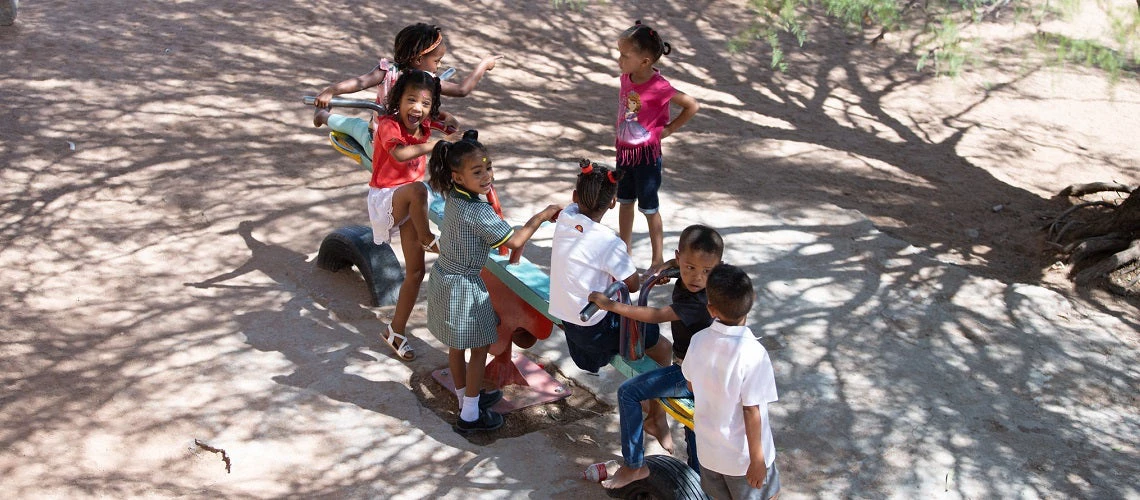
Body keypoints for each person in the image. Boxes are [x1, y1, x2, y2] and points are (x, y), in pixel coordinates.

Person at [425, 130, 561, 433]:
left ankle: (465, 399)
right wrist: (541, 216)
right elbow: (514, 241)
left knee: (457, 346)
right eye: (477, 171)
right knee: (479, 347)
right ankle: (470, 417)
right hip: (464, 286)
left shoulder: (455, 198)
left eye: (488, 167)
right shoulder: (478, 211)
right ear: (458, 177)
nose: (487, 176)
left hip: (444, 277)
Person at [584, 224, 723, 489]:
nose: (696, 277)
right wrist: (667, 268)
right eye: (689, 267)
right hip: (699, 369)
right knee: (694, 428)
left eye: (707, 271)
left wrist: (611, 305)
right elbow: (682, 265)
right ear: (679, 257)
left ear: (718, 268)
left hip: (696, 374)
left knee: (629, 392)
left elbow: (656, 315)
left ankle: (634, 465)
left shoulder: (701, 301)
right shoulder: (701, 276)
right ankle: (697, 479)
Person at [368, 69, 462, 362]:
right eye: (411, 100)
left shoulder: (426, 123)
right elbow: (399, 155)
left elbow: (449, 126)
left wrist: (450, 124)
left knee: (416, 273)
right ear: (398, 99)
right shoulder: (388, 125)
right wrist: (436, 144)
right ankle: (428, 239)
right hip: (386, 199)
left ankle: (395, 332)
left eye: (424, 103)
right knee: (420, 189)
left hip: (410, 206)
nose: (417, 109)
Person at [548, 159, 675, 373]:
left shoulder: (566, 217)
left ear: (574, 197)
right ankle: (655, 405)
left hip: (571, 323)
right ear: (613, 202)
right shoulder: (608, 242)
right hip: (596, 330)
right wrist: (647, 277)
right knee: (661, 345)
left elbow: (567, 209)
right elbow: (633, 285)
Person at [312, 23, 502, 164]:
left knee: (356, 125)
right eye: (437, 60)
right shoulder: (390, 72)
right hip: (384, 142)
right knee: (356, 127)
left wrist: (445, 116)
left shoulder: (428, 79)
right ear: (419, 59)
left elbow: (455, 94)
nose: (440, 65)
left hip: (408, 138)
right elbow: (359, 82)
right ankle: (323, 115)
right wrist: (331, 90)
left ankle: (324, 115)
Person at [683, 264, 781, 500]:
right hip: (744, 460)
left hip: (709, 454)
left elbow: (690, 385)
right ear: (752, 299)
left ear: (711, 309)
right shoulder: (753, 354)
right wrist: (757, 460)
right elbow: (751, 410)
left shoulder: (698, 341)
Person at [613, 20, 699, 269]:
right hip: (624, 154)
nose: (619, 60)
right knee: (625, 201)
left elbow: (692, 105)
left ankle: (657, 259)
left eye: (624, 55)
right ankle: (624, 249)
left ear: (645, 62)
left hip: (647, 158)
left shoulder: (660, 87)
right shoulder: (626, 78)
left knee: (649, 208)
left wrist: (670, 128)